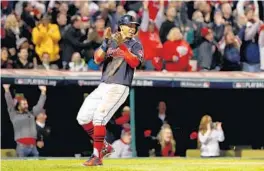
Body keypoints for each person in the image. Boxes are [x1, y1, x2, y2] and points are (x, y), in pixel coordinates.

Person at [76, 14, 143, 166]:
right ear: (121, 26)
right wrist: (106, 42)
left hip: (120, 86)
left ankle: (96, 156)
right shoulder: (111, 41)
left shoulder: (136, 45)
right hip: (104, 84)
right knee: (83, 117)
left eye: (134, 26)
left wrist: (123, 46)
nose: (132, 29)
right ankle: (104, 147)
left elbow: (134, 63)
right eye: (129, 26)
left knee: (99, 117)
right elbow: (97, 59)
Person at [3, 84, 47, 157]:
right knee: (21, 166)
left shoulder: (32, 114)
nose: (26, 105)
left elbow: (39, 106)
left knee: (37, 166)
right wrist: (7, 89)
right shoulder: (14, 115)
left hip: (33, 146)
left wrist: (43, 91)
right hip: (21, 147)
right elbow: (10, 103)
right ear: (19, 106)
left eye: (26, 103)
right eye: (23, 104)